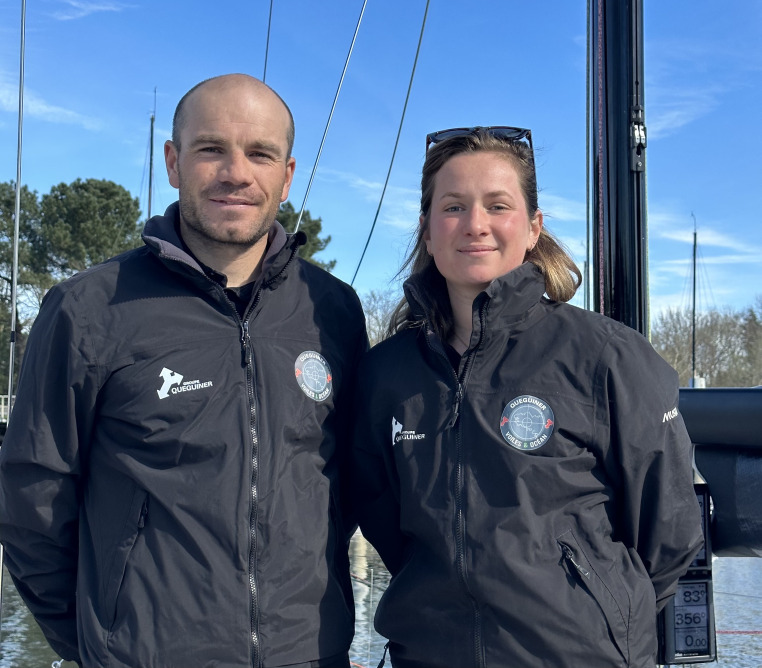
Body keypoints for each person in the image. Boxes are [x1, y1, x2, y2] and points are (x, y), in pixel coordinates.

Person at [0, 74, 368, 668]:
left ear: (287, 175)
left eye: (260, 154)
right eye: (210, 149)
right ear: (172, 162)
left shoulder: (334, 311)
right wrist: (100, 645)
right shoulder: (88, 309)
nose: (236, 173)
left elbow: (349, 486)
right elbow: (32, 503)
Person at [352, 126, 703, 668]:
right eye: (453, 207)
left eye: (498, 205)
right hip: (429, 653)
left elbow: (670, 531)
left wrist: (599, 609)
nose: (475, 225)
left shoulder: (606, 357)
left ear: (533, 227)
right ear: (426, 230)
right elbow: (385, 522)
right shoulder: (386, 374)